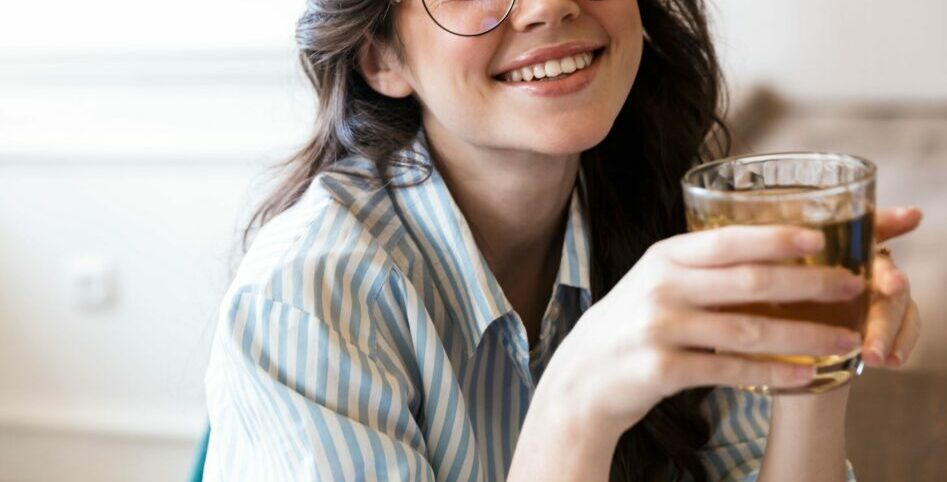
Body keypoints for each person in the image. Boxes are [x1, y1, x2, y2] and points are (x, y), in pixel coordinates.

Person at [202, 0, 924, 480]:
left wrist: (814, 353)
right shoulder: (304, 302)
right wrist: (577, 401)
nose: (549, 4)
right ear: (380, 59)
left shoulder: (676, 218)